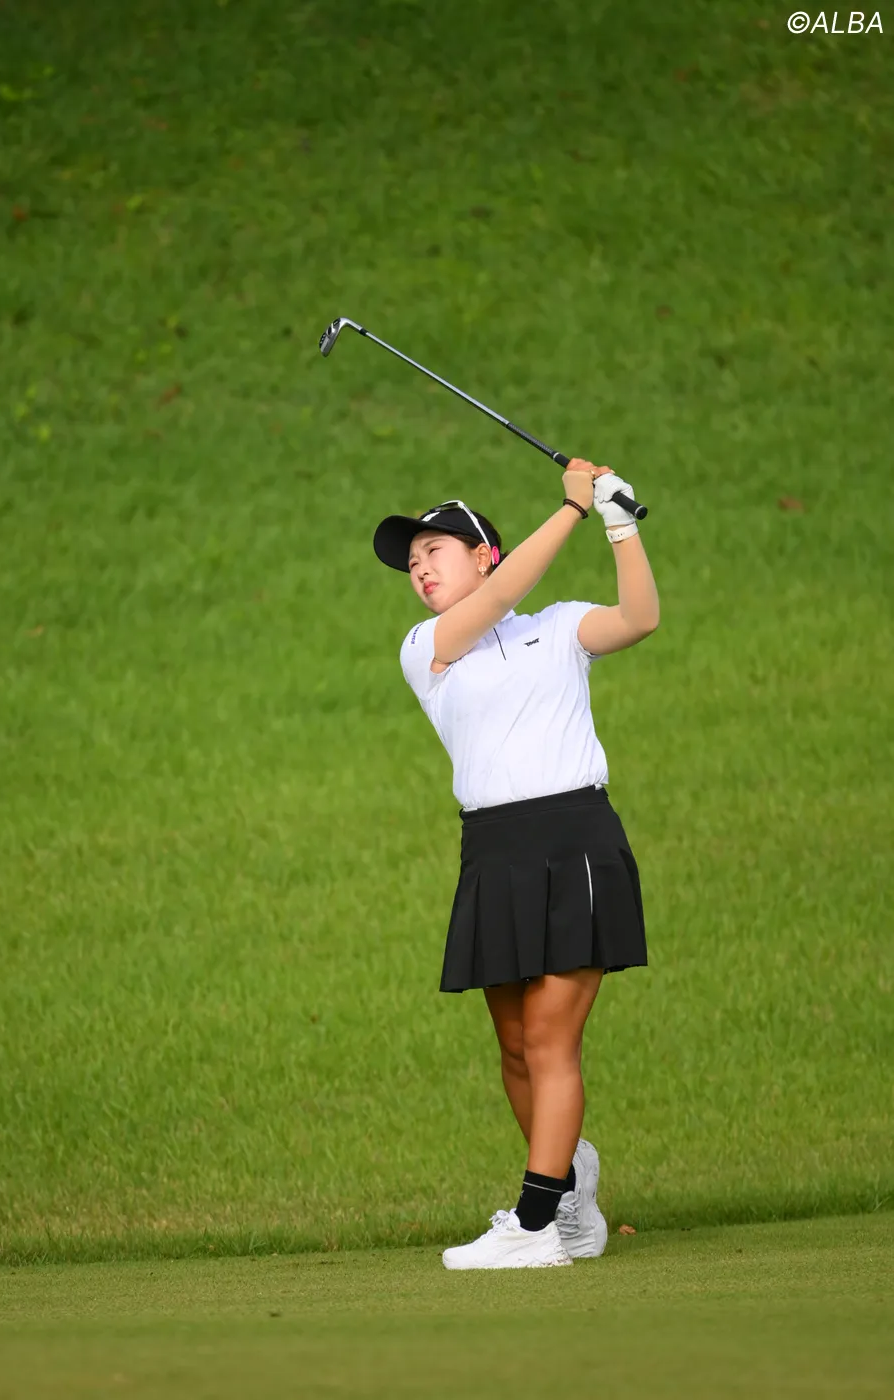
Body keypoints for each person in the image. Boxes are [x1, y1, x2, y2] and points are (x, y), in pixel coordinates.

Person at [372, 461, 659, 1269]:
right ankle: (566, 1193)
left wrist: (615, 522)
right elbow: (498, 600)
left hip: (576, 837)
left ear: (483, 553)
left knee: (548, 1037)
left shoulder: (559, 627)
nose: (419, 569)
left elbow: (639, 618)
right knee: (513, 1047)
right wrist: (569, 509)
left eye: (433, 551)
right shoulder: (426, 649)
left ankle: (534, 1227)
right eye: (411, 562)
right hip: (493, 850)